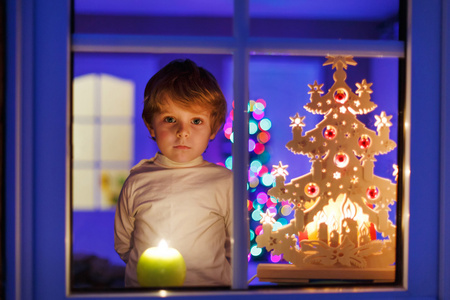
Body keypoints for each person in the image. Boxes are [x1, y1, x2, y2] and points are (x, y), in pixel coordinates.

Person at [114, 59, 232, 287]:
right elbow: (123, 244)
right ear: (151, 126)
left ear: (213, 129)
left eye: (196, 121)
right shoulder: (137, 181)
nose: (182, 132)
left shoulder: (224, 182)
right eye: (170, 119)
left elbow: (235, 247)